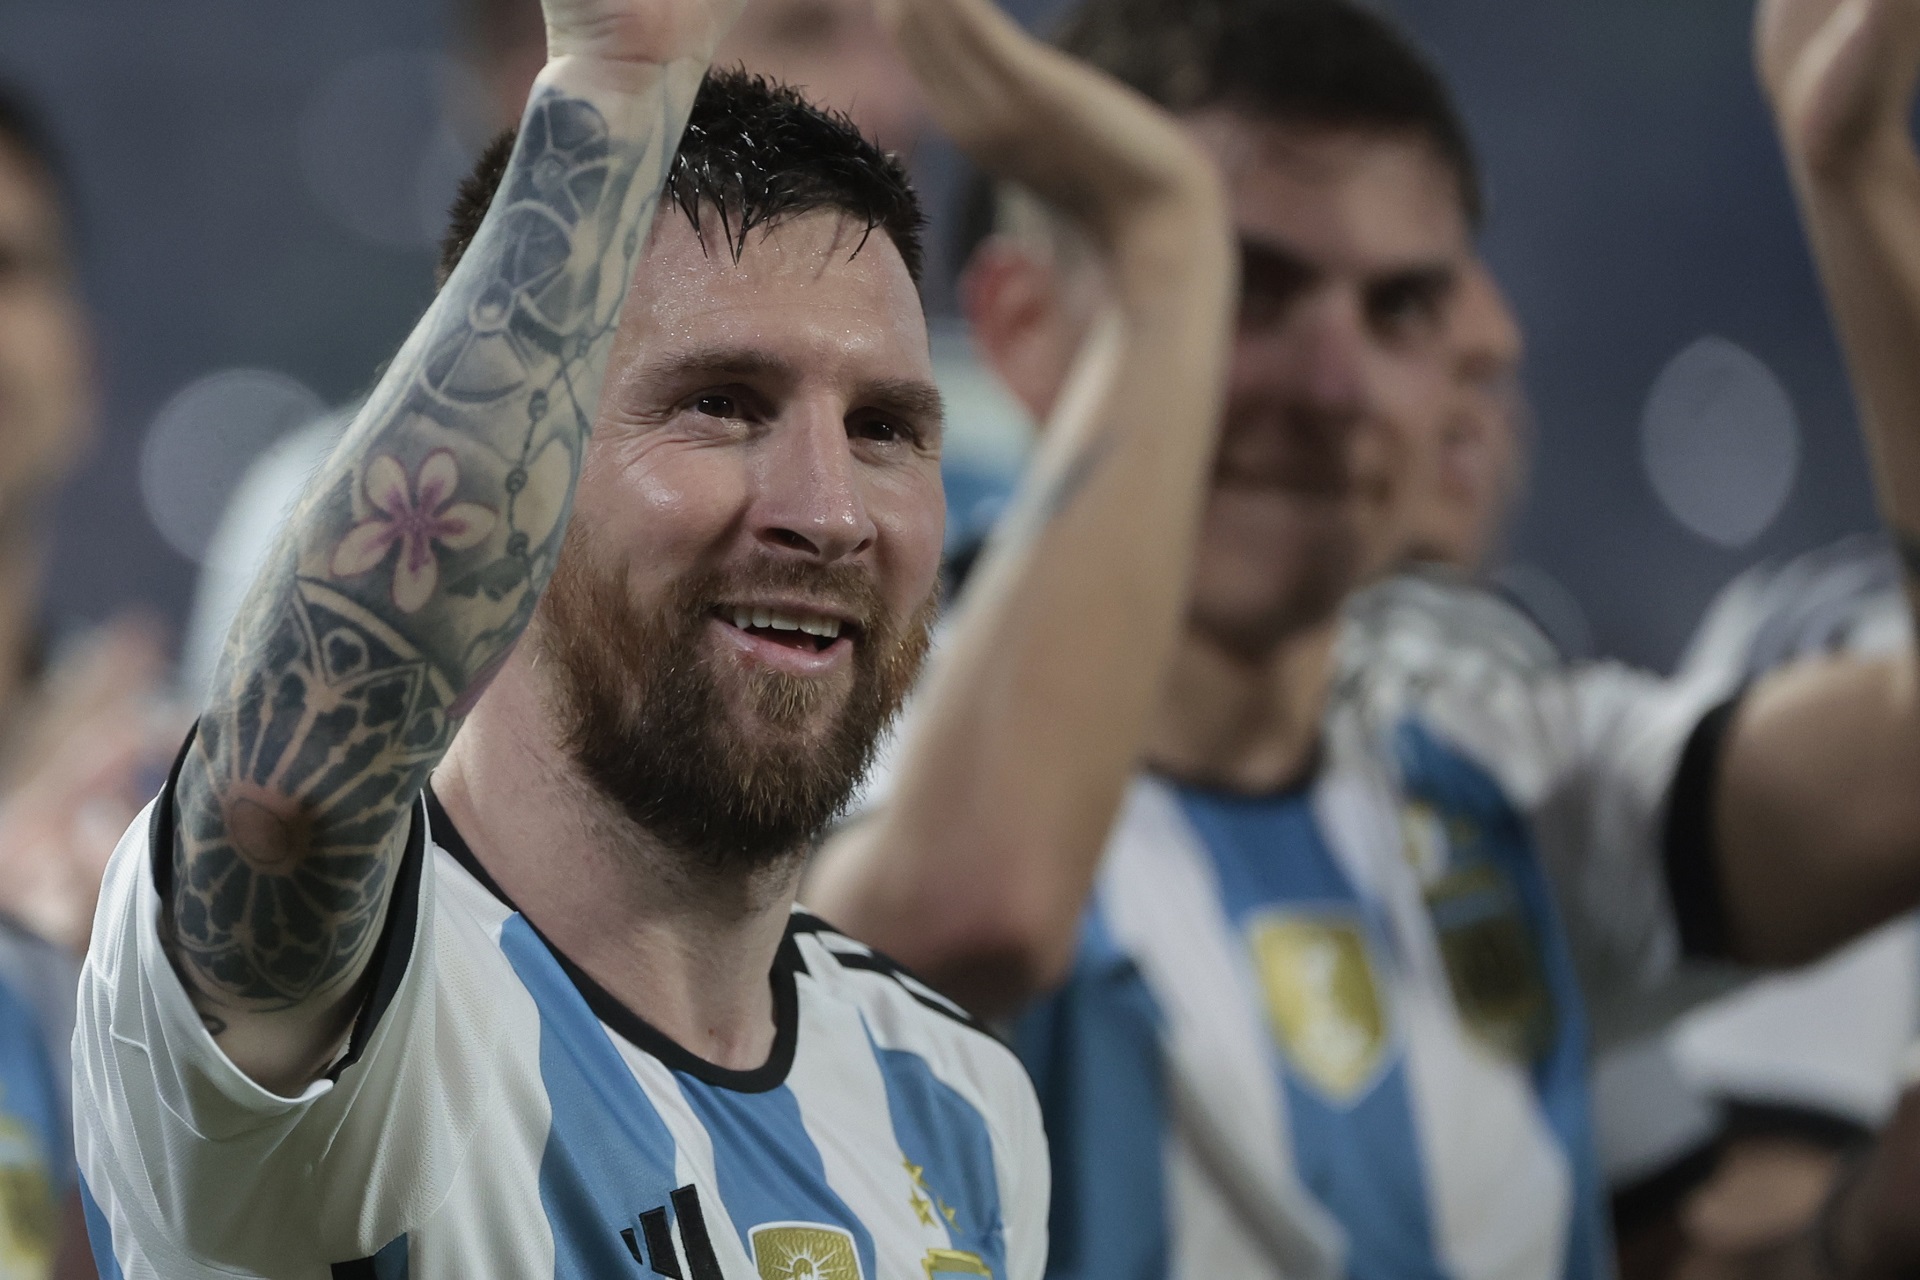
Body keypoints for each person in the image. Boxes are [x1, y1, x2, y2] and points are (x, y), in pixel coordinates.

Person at [73, 1, 1235, 1278]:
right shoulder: (343, 1016)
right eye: (720, 404)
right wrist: (618, 82)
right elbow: (283, 810)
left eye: (884, 429)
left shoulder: (959, 1093)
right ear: (519, 479)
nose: (829, 513)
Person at [804, 0, 1920, 1277]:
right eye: (1247, 290)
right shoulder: (845, 729)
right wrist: (1169, 246)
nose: (1336, 390)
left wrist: (1857, 171)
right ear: (1021, 327)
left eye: (1397, 310)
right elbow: (972, 913)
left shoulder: (1502, 768)